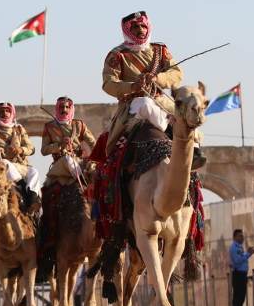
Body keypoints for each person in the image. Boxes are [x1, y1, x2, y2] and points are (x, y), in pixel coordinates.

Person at [101, 10, 205, 167]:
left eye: (143, 26)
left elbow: (176, 73)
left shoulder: (160, 50)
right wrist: (133, 86)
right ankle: (170, 130)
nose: (140, 30)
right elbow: (108, 84)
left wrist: (158, 78)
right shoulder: (117, 55)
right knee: (145, 104)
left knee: (187, 110)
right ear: (127, 30)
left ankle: (194, 151)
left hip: (161, 100)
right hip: (132, 103)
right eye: (135, 27)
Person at [0, 102, 40, 213]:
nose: (5, 113)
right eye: (1, 111)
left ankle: (32, 200)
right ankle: (22, 190)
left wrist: (20, 150)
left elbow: (31, 148)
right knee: (5, 162)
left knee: (34, 171)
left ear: (11, 112)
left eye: (7, 110)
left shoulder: (19, 129)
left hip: (19, 166)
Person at [40, 96, 96, 186]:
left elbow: (93, 143)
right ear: (57, 108)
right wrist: (60, 144)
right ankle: (82, 182)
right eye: (61, 107)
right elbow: (44, 150)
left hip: (79, 160)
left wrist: (96, 158)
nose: (64, 109)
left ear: (71, 108)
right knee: (67, 159)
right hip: (60, 162)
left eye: (67, 107)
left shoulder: (79, 125)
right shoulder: (49, 127)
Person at [229, 228, 254, 306]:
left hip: (242, 274)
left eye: (242, 236)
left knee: (241, 296)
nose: (242, 238)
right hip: (238, 274)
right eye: (240, 236)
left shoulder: (240, 247)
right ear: (235, 237)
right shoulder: (234, 247)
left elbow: (241, 257)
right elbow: (237, 261)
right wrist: (248, 254)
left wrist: (247, 252)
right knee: (238, 296)